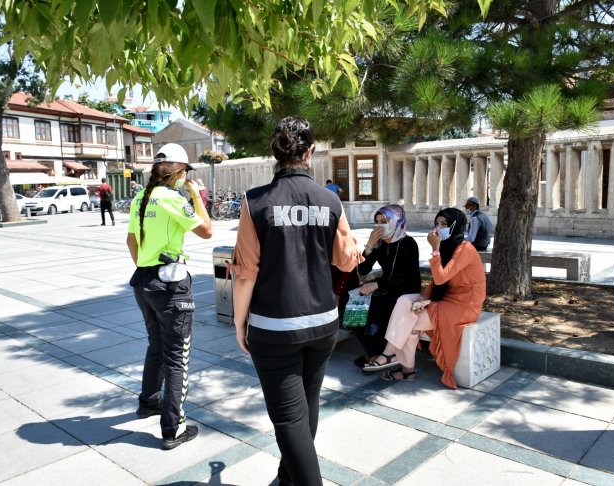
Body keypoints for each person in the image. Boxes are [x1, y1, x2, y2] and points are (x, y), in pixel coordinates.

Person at [229, 116, 359, 485]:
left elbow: (245, 272)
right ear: (311, 151)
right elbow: (345, 259)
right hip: (322, 322)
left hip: (275, 327)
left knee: (288, 417)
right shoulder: (329, 200)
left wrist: (240, 322)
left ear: (274, 151)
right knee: (306, 403)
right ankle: (288, 478)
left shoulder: (255, 203)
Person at [126, 142, 212, 450]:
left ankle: (148, 401)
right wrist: (196, 196)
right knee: (178, 356)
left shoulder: (141, 196)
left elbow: (130, 240)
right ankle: (173, 428)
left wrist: (146, 267)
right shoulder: (171, 198)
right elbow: (207, 230)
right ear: (178, 171)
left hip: (144, 280)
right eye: (186, 172)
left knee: (157, 346)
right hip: (169, 285)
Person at [363, 208, 486, 388]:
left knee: (409, 321)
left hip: (464, 305)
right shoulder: (446, 247)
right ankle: (401, 365)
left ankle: (396, 360)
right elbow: (436, 284)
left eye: (444, 224)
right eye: (437, 224)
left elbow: (441, 277)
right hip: (446, 298)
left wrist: (435, 249)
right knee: (405, 302)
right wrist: (422, 297)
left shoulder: (465, 249)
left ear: (456, 225)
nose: (438, 228)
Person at [351, 205, 421, 367]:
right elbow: (363, 269)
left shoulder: (409, 243)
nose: (379, 225)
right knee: (354, 307)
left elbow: (409, 278)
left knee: (378, 309)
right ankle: (373, 354)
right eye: (377, 221)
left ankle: (379, 355)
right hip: (386, 287)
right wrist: (369, 246)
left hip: (405, 290)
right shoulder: (380, 244)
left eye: (384, 221)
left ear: (398, 221)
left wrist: (377, 284)